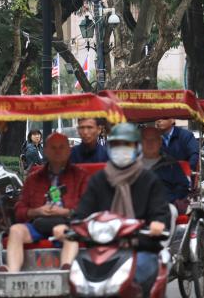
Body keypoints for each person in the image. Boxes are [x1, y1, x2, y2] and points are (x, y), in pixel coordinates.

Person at [54, 123, 170, 297]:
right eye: (116, 145)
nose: (121, 150)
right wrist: (67, 227)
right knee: (76, 281)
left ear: (137, 148)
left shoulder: (149, 180)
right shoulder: (99, 180)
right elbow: (82, 212)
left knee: (138, 277)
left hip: (140, 248)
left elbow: (160, 212)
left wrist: (157, 224)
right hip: (99, 250)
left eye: (126, 145)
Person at [1, 133, 89, 272]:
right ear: (46, 151)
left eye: (61, 147)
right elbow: (20, 209)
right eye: (53, 148)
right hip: (37, 223)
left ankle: (66, 270)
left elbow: (87, 208)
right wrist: (37, 211)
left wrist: (65, 212)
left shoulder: (80, 176)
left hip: (67, 223)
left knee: (69, 233)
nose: (57, 152)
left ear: (68, 150)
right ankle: (11, 273)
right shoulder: (33, 178)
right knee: (15, 230)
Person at [141, 127, 190, 212]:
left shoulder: (171, 164)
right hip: (136, 206)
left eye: (153, 139)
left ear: (160, 142)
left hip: (165, 205)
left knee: (170, 211)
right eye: (146, 139)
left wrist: (171, 199)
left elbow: (183, 187)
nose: (150, 143)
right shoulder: (131, 165)